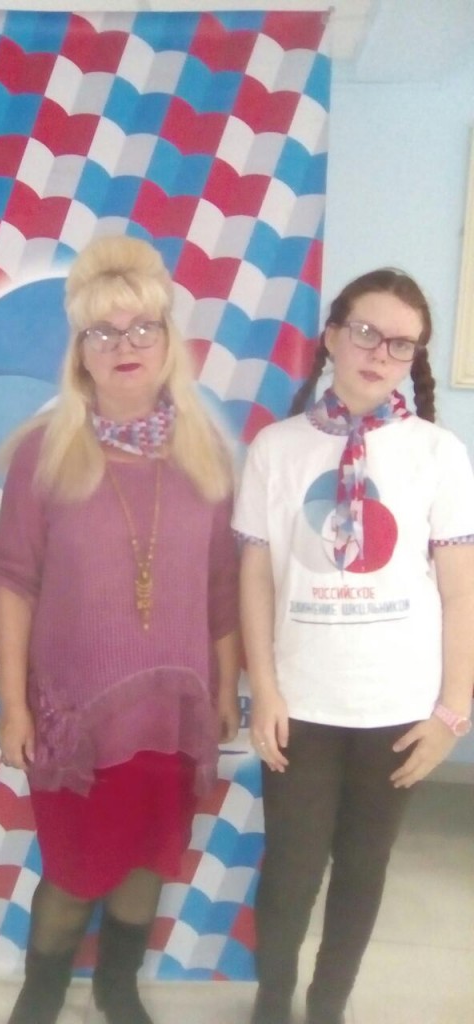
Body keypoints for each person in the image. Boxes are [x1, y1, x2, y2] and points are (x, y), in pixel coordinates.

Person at [0, 235, 241, 1024]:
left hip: (172, 716)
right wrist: (13, 706)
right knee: (74, 876)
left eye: (141, 328)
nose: (124, 346)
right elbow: (13, 581)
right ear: (79, 353)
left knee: (145, 868)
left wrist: (226, 689)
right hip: (78, 723)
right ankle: (40, 996)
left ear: (168, 343)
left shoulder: (207, 455)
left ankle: (117, 987)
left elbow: (223, 587)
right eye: (102, 332)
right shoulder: (42, 452)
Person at [233, 268, 474, 1024]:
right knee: (290, 873)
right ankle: (273, 1000)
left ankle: (327, 1007)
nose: (379, 354)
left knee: (363, 873)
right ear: (333, 335)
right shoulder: (276, 448)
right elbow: (255, 578)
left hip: (399, 710)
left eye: (402, 344)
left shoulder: (439, 452)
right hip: (301, 705)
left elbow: (461, 591)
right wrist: (264, 691)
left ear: (415, 358)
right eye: (366, 332)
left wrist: (452, 713)